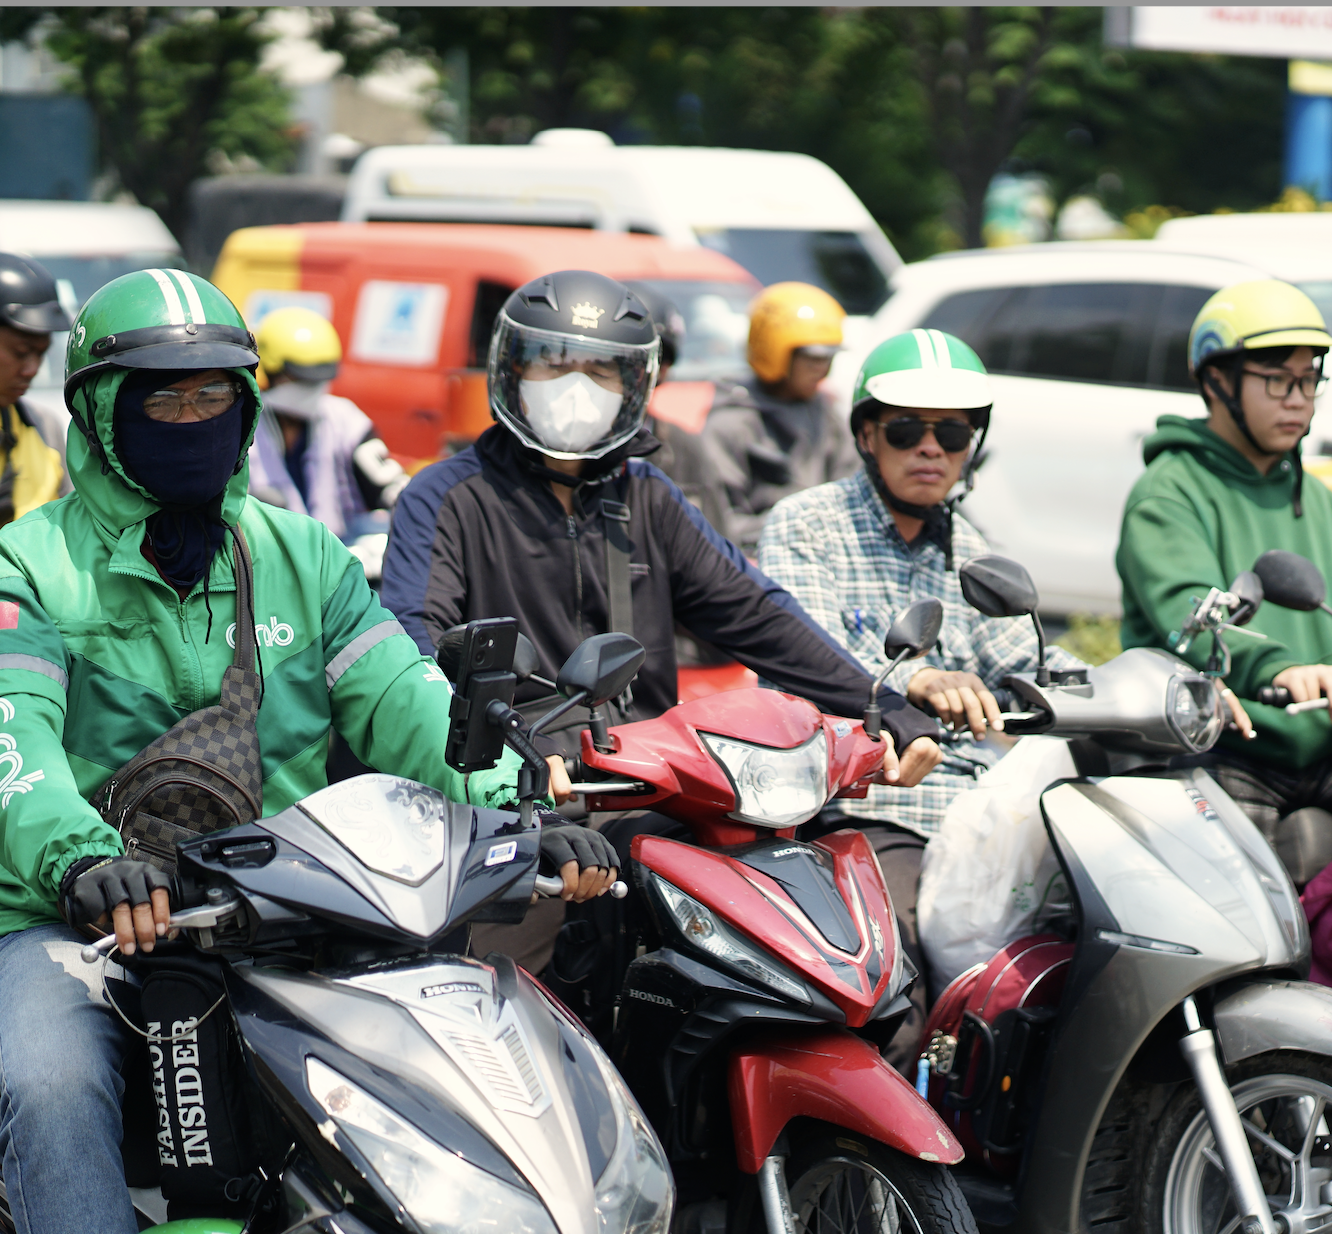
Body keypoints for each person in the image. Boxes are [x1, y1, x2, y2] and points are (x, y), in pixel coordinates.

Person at [0, 268, 615, 1234]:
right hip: (72, 921)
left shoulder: (304, 555)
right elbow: (8, 741)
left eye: (213, 397)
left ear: (247, 408)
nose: (193, 421)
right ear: (98, 413)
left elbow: (407, 700)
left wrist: (522, 807)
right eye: (162, 400)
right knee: (58, 1087)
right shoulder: (26, 562)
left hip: (286, 912)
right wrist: (84, 862)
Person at [380, 269, 942, 980]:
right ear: (512, 371)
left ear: (634, 386)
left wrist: (880, 704)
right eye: (555, 365)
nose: (576, 388)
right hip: (513, 801)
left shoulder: (648, 494)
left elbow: (755, 611)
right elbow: (414, 646)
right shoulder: (447, 495)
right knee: (497, 998)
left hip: (649, 788)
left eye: (599, 371)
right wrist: (513, 761)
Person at [757, 327, 1088, 1055]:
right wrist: (915, 678)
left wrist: (1136, 688)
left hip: (983, 815)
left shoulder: (972, 547)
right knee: (897, 997)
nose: (930, 449)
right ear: (867, 435)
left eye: (952, 433)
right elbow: (799, 655)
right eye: (907, 430)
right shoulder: (808, 526)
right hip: (867, 805)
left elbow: (1026, 658)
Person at [1117, 279, 1332, 882]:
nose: (1297, 400)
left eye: (1308, 380)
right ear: (1217, 382)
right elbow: (1188, 611)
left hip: (1330, 739)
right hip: (1224, 740)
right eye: (1276, 380)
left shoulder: (1319, 500)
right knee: (1245, 910)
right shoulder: (1169, 493)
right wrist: (1277, 669)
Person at [692, 281, 860, 553]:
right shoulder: (731, 424)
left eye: (828, 358)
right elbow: (718, 523)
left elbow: (853, 490)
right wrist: (794, 525)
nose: (822, 370)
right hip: (756, 561)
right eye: (813, 358)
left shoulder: (824, 413)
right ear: (774, 350)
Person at [0, 251, 71, 618]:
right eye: (20, 352)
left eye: (41, 354)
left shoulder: (44, 430)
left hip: (33, 633)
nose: (32, 369)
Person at [246, 305, 408, 538]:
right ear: (268, 373)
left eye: (317, 381)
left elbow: (391, 486)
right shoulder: (241, 426)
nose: (310, 390)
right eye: (298, 379)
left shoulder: (344, 420)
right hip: (268, 553)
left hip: (340, 551)